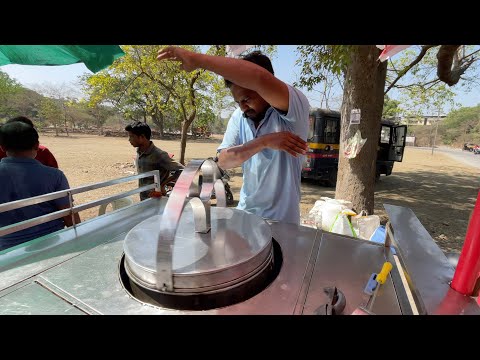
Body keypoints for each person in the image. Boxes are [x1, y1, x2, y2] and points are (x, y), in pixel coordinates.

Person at [157, 47, 309, 224]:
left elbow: (259, 78)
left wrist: (197, 59)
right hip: (246, 214)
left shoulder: (294, 110)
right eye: (238, 102)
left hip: (282, 222)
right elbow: (224, 161)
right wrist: (264, 142)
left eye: (247, 99)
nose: (243, 107)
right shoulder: (240, 116)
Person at [0, 121, 81, 251]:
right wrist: (80, 239)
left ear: (2, 147)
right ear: (37, 145)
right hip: (53, 242)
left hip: (7, 249)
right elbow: (68, 213)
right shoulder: (55, 175)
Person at [125, 121, 184, 201]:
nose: (129, 140)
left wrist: (162, 185)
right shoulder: (139, 151)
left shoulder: (158, 155)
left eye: (131, 136)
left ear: (142, 137)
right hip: (144, 198)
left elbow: (182, 170)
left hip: (157, 199)